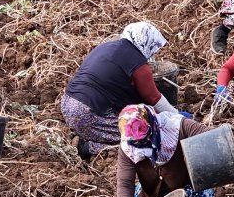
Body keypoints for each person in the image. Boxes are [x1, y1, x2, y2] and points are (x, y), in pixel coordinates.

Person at [61, 21, 178, 157]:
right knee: (143, 134)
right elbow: (153, 98)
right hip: (87, 113)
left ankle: (87, 134)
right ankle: (88, 148)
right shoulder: (137, 62)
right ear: (146, 42)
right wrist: (177, 118)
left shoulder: (106, 47)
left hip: (68, 105)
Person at [110, 105, 215, 197]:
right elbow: (125, 182)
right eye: (137, 143)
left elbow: (211, 137)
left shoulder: (176, 126)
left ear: (153, 124)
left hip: (187, 187)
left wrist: (225, 133)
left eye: (146, 140)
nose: (143, 146)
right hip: (154, 190)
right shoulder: (128, 147)